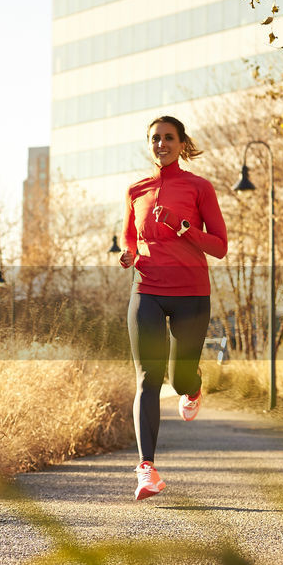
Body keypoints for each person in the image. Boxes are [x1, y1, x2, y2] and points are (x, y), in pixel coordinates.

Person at [119, 116, 228, 500]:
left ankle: (192, 387)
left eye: (168, 138)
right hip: (147, 288)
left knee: (177, 379)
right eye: (155, 139)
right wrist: (127, 254)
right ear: (149, 144)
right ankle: (147, 470)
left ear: (182, 143)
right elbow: (129, 236)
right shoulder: (136, 189)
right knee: (148, 377)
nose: (161, 144)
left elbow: (219, 246)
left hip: (191, 293)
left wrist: (185, 228)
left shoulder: (200, 187)